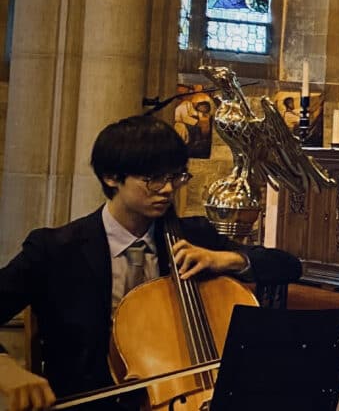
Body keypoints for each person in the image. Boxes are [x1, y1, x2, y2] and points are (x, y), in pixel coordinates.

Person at [0, 115, 303, 411]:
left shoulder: (195, 236)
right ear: (111, 177)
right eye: (153, 178)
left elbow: (287, 266)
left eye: (175, 176)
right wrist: (6, 369)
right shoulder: (54, 250)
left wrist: (224, 258)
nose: (168, 189)